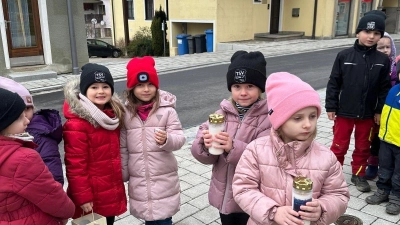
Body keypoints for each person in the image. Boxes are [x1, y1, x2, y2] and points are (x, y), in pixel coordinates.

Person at [232, 72, 350, 225]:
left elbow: (339, 195)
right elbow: (243, 189)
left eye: (312, 116)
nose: (307, 124)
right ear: (279, 120)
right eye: (298, 118)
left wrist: (322, 208)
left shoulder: (326, 157)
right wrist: (273, 211)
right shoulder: (256, 151)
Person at [191, 51, 271, 225]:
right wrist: (204, 145)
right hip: (224, 194)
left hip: (251, 198)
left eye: (250, 86)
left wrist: (232, 147)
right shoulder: (220, 115)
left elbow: (265, 157)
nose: (243, 92)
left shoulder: (268, 119)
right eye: (237, 87)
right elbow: (204, 155)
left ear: (260, 87)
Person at [325, 10, 392, 192]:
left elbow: (384, 88)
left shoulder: (382, 60)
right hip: (345, 110)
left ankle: (359, 174)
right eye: (367, 32)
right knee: (339, 145)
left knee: (363, 146)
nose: (371, 36)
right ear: (358, 33)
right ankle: (333, 174)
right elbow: (334, 82)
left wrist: (379, 110)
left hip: (368, 113)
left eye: (376, 33)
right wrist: (331, 105)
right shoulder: (344, 56)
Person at [120, 56, 186, 225]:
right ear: (132, 88)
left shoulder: (167, 111)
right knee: (148, 218)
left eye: (150, 84)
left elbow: (179, 138)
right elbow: (123, 148)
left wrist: (167, 139)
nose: (146, 89)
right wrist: (124, 173)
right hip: (139, 179)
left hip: (164, 178)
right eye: (140, 85)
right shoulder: (126, 113)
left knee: (163, 219)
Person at [63, 63, 127, 225]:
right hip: (89, 197)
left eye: (105, 86)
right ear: (84, 91)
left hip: (109, 190)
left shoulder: (112, 117)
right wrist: (83, 198)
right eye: (94, 87)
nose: (100, 91)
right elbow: (75, 166)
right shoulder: (77, 125)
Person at [0, 87, 75, 225]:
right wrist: (68, 212)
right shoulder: (23, 159)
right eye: (19, 117)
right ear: (4, 122)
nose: (27, 121)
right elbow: (52, 197)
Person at [0, 77, 64, 185]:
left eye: (27, 108)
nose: (24, 115)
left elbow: (53, 178)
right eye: (17, 112)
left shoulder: (41, 136)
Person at [366, 32, 399, 180]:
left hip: (391, 112)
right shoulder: (372, 65)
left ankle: (387, 168)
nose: (385, 50)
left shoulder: (395, 67)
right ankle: (372, 164)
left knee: (388, 141)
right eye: (381, 48)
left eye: (388, 47)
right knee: (374, 139)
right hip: (376, 109)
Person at [365, 83, 400, 215]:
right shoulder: (393, 90)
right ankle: (383, 190)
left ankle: (396, 197)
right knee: (384, 167)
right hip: (386, 139)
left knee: (399, 173)